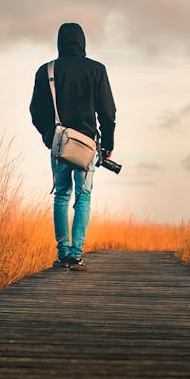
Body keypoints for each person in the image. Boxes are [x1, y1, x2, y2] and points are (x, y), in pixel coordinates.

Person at [30, 22, 116, 271]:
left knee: (61, 194)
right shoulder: (97, 70)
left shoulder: (46, 71)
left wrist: (49, 136)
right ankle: (76, 254)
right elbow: (108, 112)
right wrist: (107, 143)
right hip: (87, 145)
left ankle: (62, 253)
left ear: (59, 42)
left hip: (58, 143)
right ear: (83, 42)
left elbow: (36, 111)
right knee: (83, 196)